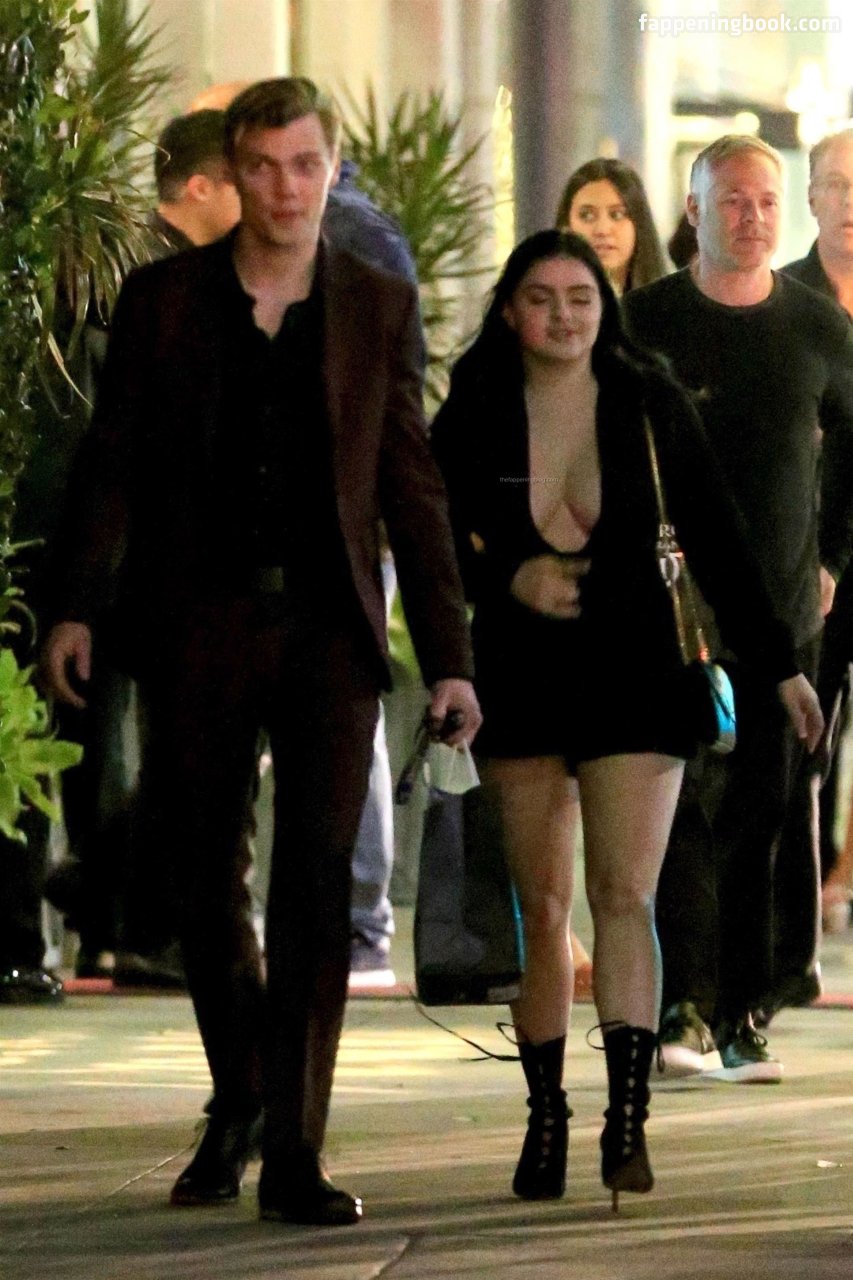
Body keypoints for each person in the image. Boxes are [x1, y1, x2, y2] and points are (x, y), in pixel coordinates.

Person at [42, 77, 480, 1226]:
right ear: (233, 173)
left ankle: (294, 1144)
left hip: (327, 626)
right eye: (263, 166)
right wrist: (75, 604)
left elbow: (411, 484)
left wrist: (449, 655)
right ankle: (240, 1089)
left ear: (332, 170)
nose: (286, 188)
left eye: (304, 164)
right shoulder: (165, 300)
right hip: (198, 618)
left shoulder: (375, 302)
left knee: (317, 879)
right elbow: (112, 457)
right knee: (201, 875)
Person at [430, 228, 820, 1209]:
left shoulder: (648, 398)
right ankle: (546, 1116)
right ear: (509, 310)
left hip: (637, 669)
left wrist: (779, 666)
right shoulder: (477, 403)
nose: (562, 316)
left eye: (581, 298)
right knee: (541, 907)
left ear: (604, 308)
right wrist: (503, 576)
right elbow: (427, 530)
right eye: (541, 298)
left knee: (623, 894)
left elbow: (720, 537)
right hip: (521, 670)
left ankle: (627, 1117)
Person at [624, 134, 853, 1082]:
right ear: (693, 211)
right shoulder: (645, 321)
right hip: (671, 609)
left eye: (763, 201)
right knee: (676, 809)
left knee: (764, 812)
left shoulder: (817, 327)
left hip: (784, 610)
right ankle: (681, 1005)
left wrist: (832, 556)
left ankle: (743, 1014)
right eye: (730, 201)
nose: (751, 218)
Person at [781, 127, 853, 950]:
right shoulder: (782, 299)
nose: (849, 202)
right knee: (805, 739)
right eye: (836, 184)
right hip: (810, 555)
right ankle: (793, 927)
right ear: (810, 197)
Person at [555, 157, 667, 295]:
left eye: (617, 215)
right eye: (587, 216)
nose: (602, 230)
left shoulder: (671, 304)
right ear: (566, 226)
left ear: (639, 224)